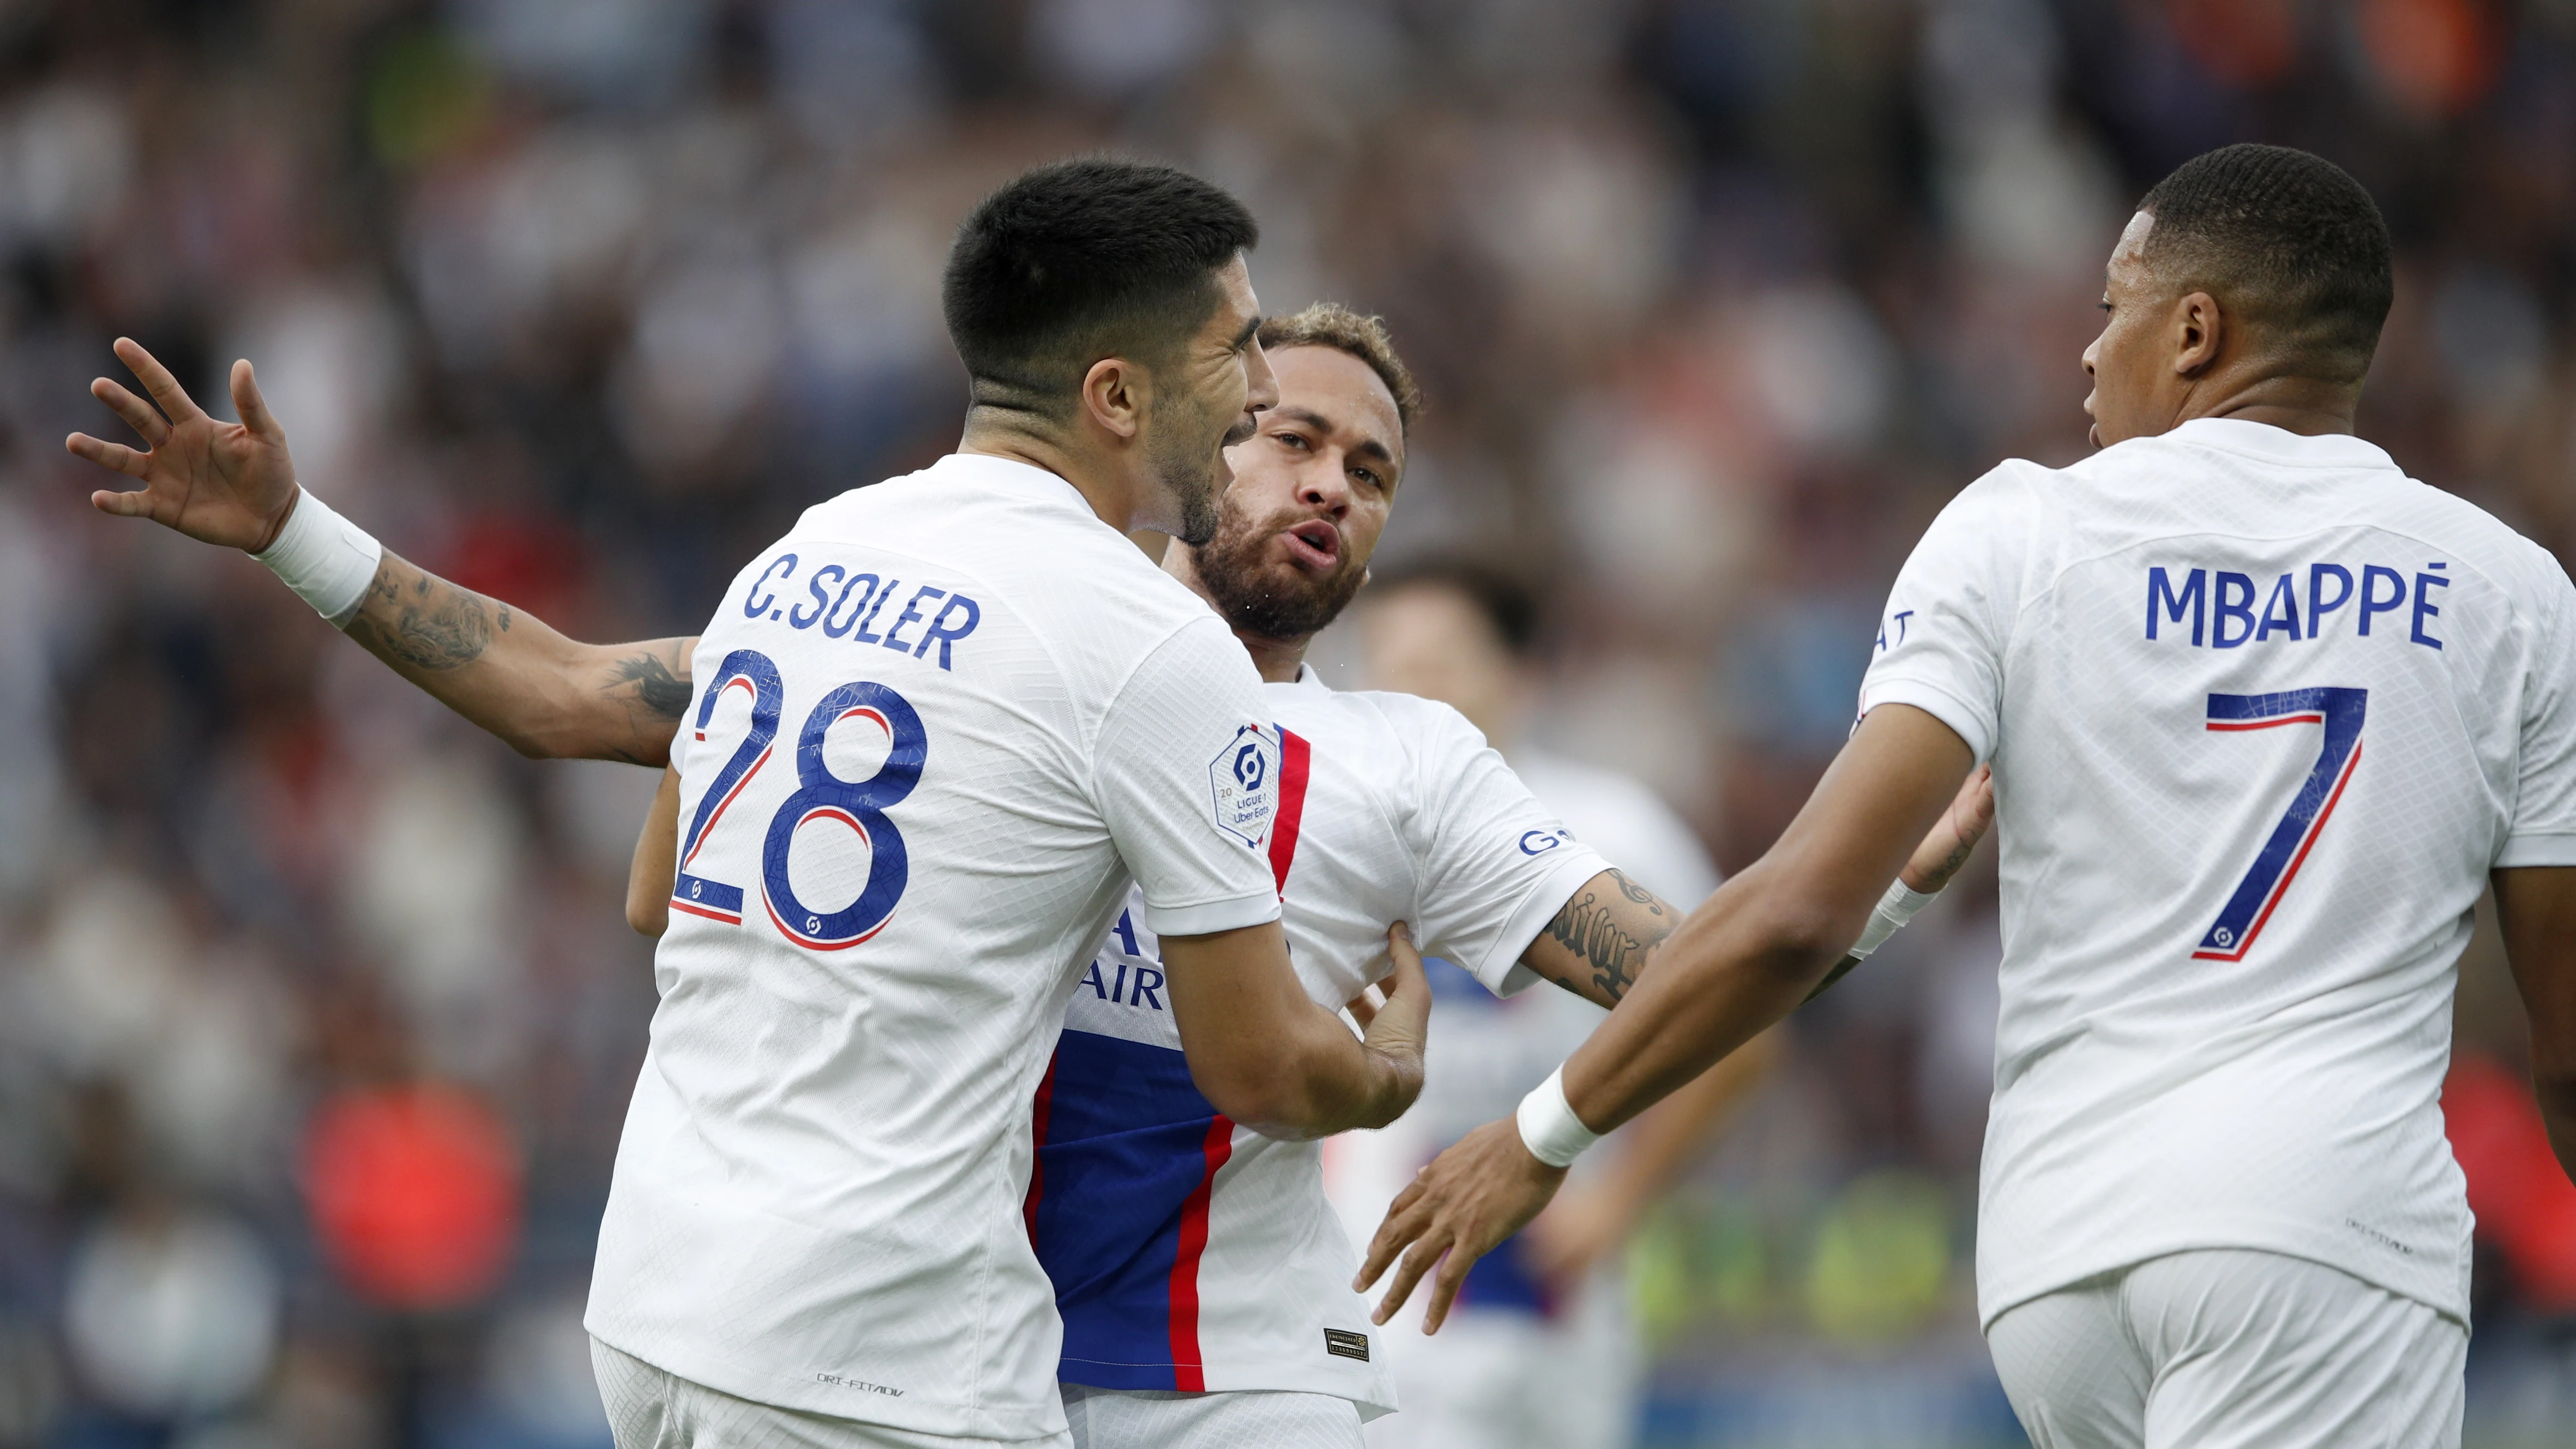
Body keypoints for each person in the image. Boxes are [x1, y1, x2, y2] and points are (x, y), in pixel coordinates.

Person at [68, 158, 1434, 1449]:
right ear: (1118, 395)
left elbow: (570, 722)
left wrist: (295, 529)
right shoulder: (1154, 646)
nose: (1260, 390)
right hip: (886, 1349)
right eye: (1235, 347)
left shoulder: (815, 547)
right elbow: (1254, 1065)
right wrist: (1384, 1075)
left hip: (663, 1303)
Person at [1357, 142, 2576, 1449]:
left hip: (2060, 1255)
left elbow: (1795, 907)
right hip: (2320, 1232)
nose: (2088, 352)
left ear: (2197, 330)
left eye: (2113, 309)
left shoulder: (2016, 532)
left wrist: (1539, 1132)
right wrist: (1538, 1139)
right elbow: (2563, 1032)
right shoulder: (2509, 592)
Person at [621, 303, 1995, 1449]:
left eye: (1374, 470)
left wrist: (1868, 894)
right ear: (1192, 442)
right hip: (930, 1352)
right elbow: (675, 861)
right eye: (1294, 438)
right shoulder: (1013, 636)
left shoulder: (1408, 764)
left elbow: (1686, 963)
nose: (1334, 482)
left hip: (1234, 1378)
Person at [1347, 562, 1741, 1449]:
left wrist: (1620, 1199)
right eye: (1387, 663)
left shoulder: (1615, 828)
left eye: (1440, 662)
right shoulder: (1338, 832)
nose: (1410, 690)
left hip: (1547, 1295)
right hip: (1368, 1289)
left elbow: (1739, 1028)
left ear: (1521, 675)